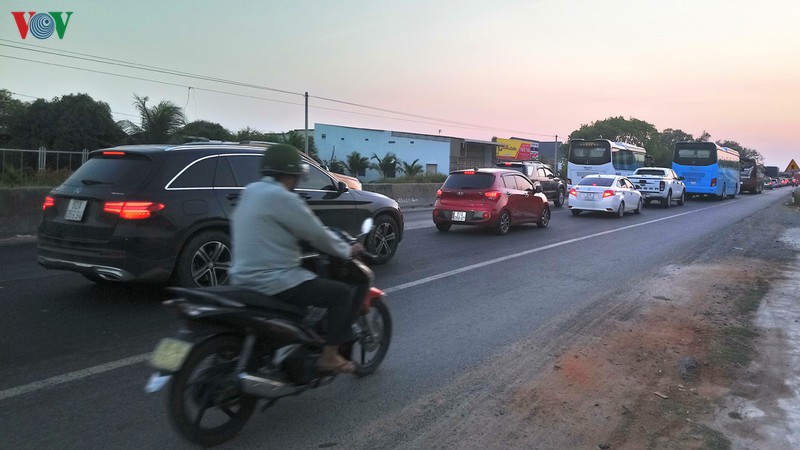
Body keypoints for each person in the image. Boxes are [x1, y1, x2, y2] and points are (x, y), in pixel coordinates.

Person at [229, 144, 363, 374]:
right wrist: (347, 250)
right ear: (290, 175)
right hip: (275, 280)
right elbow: (316, 234)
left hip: (240, 277)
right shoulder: (283, 197)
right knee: (340, 294)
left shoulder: (251, 191)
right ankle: (330, 356)